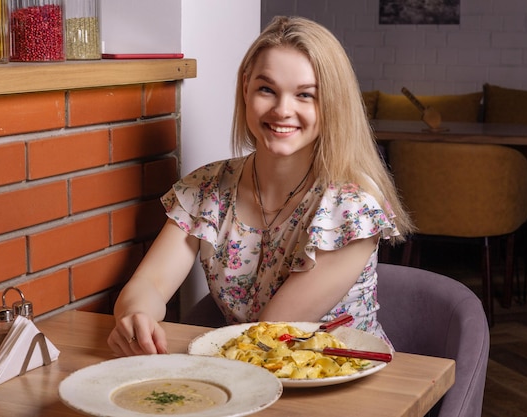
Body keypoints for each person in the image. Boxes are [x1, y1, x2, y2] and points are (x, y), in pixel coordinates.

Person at [107, 15, 414, 357]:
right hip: (249, 375)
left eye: (305, 95)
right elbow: (149, 284)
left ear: (332, 103)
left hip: (346, 383)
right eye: (267, 89)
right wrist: (137, 316)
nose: (283, 110)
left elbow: (269, 332)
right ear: (246, 88)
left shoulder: (353, 207)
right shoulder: (207, 189)